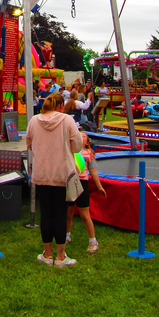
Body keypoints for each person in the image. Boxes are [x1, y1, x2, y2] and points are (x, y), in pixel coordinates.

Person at [26, 92, 83, 267]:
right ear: (61, 106)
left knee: (46, 214)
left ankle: (47, 254)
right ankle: (60, 256)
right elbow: (78, 145)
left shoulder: (34, 120)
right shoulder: (67, 121)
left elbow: (29, 143)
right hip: (62, 174)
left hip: (42, 173)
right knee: (60, 214)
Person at [66, 132, 107, 253]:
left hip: (82, 184)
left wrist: (99, 187)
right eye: (78, 135)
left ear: (87, 142)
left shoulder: (88, 154)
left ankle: (93, 240)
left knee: (85, 215)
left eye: (83, 136)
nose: (80, 137)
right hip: (70, 183)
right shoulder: (69, 151)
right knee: (68, 213)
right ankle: (67, 234)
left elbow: (93, 172)